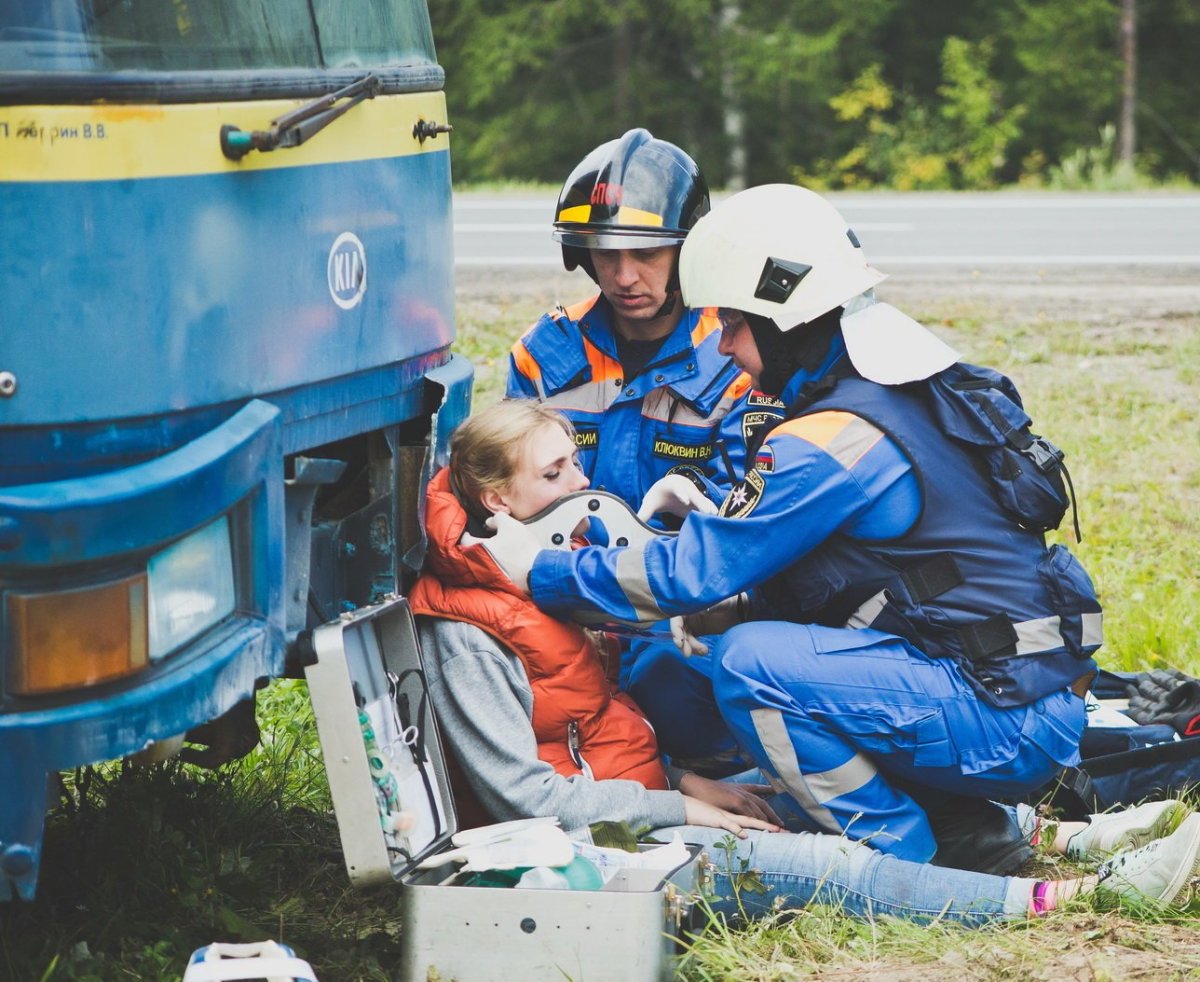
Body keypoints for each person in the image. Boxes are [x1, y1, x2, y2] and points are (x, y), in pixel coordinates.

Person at [478, 184, 1113, 873]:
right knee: (702, 659)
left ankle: (896, 861)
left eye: (733, 323)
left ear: (783, 317)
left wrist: (539, 571)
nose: (723, 344)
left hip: (1002, 714)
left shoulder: (833, 437)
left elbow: (687, 576)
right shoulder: (895, 381)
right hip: (1009, 689)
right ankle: (962, 830)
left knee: (751, 664)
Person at [407, 398, 1200, 924]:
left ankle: (1070, 838)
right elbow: (528, 800)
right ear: (498, 501)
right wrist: (678, 808)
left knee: (810, 795)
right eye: (555, 474)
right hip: (603, 854)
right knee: (838, 860)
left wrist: (685, 783)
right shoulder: (469, 631)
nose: (584, 486)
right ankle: (1071, 898)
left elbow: (593, 742)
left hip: (649, 808)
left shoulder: (540, 595)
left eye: (576, 464)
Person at [507, 128, 772, 773]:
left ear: (688, 251)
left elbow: (748, 529)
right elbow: (508, 499)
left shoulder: (736, 355)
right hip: (560, 603)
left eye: (647, 254)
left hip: (679, 615)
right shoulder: (543, 355)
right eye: (605, 254)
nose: (624, 277)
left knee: (673, 686)